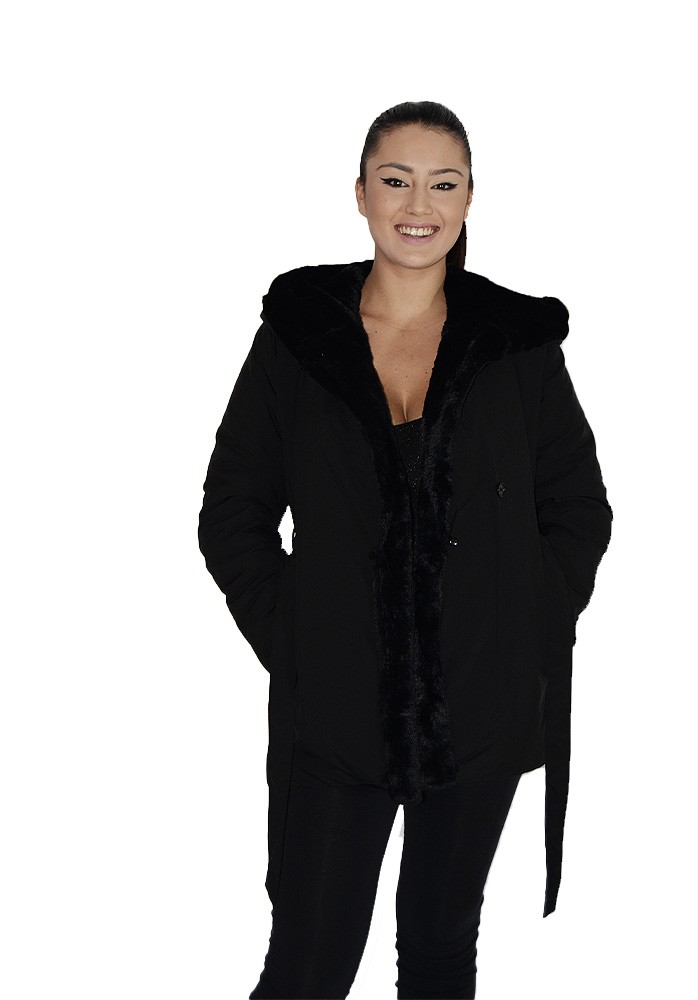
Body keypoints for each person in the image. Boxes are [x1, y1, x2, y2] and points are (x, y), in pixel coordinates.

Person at [198, 100, 613, 999]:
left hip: (482, 707)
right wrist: (302, 638)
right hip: (335, 708)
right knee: (308, 966)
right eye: (396, 180)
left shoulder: (517, 345)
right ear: (360, 193)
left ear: (469, 199)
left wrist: (517, 633)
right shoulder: (299, 338)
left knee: (438, 948)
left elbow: (578, 509)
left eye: (442, 183)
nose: (418, 204)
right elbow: (232, 512)